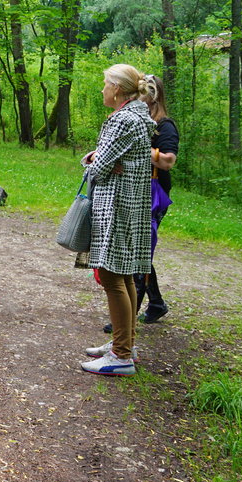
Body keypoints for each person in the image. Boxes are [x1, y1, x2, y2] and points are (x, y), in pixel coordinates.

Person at [79, 64, 155, 376]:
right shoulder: (137, 115)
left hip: (117, 204)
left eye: (105, 84)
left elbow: (98, 168)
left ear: (118, 89)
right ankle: (124, 344)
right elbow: (107, 161)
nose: (102, 90)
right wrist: (99, 160)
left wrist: (94, 161)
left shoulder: (122, 119)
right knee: (123, 277)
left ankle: (121, 355)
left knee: (112, 276)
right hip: (130, 203)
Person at [103, 73, 177, 332]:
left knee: (138, 252)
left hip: (153, 193)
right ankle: (154, 304)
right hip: (132, 189)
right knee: (136, 251)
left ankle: (126, 323)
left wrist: (134, 148)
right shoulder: (135, 119)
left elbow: (168, 160)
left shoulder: (164, 125)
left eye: (144, 90)